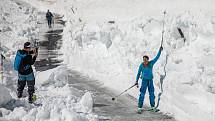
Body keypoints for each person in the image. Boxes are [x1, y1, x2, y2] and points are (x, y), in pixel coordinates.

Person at [135, 46, 163, 114]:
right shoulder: (141, 65)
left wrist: (160, 51)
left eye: (145, 60)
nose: (144, 61)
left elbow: (157, 57)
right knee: (142, 93)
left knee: (151, 93)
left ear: (148, 60)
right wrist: (136, 81)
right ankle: (139, 107)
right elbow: (138, 73)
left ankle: (153, 106)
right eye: (143, 60)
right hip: (144, 81)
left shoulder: (151, 63)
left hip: (150, 81)